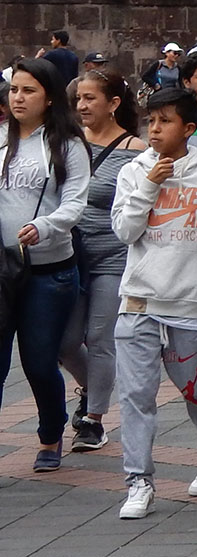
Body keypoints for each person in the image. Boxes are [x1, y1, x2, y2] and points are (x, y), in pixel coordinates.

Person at [109, 84, 197, 518]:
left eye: (165, 121)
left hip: (192, 305)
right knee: (135, 395)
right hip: (138, 303)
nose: (155, 129)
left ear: (188, 127)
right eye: (151, 121)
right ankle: (138, 482)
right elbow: (125, 232)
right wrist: (149, 185)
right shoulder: (133, 172)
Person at [0, 55, 88, 471]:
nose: (18, 98)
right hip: (2, 271)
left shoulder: (67, 144)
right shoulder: (1, 137)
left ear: (49, 98)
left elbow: (74, 204)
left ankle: (51, 433)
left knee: (38, 361)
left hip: (48, 272)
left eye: (28, 90)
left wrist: (46, 226)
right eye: (14, 89)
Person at [60, 69, 144, 454]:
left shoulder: (137, 151)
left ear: (113, 104)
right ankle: (94, 387)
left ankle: (93, 420)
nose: (81, 106)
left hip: (114, 255)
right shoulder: (66, 144)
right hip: (70, 255)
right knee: (63, 342)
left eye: (90, 98)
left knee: (99, 337)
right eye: (78, 98)